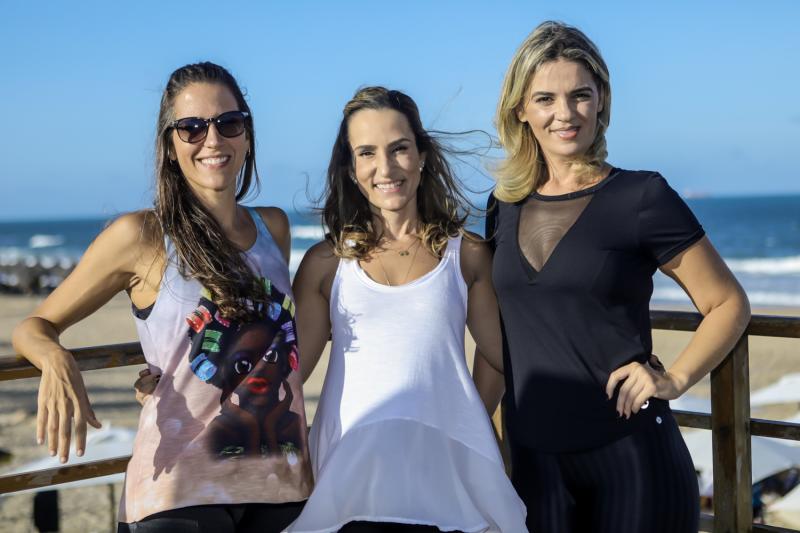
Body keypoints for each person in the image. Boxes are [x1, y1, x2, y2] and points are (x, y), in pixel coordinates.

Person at [12, 62, 313, 533]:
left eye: (228, 123)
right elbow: (34, 326)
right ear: (170, 146)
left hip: (281, 486)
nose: (212, 140)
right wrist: (55, 360)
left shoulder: (273, 227)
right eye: (192, 127)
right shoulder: (142, 236)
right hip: (179, 492)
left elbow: (278, 341)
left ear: (247, 135)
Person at [487, 21, 751, 533]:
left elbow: (727, 303)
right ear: (520, 109)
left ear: (602, 100)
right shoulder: (504, 206)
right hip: (536, 464)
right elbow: (501, 333)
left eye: (580, 95)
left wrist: (674, 378)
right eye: (545, 99)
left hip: (631, 458)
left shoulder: (641, 197)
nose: (565, 114)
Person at [286, 87, 527, 532]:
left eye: (399, 148)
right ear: (351, 169)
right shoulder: (325, 264)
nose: (386, 167)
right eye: (367, 153)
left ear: (422, 156)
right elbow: (289, 376)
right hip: (350, 482)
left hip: (444, 483)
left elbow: (501, 355)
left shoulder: (466, 254)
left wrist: (461, 423)